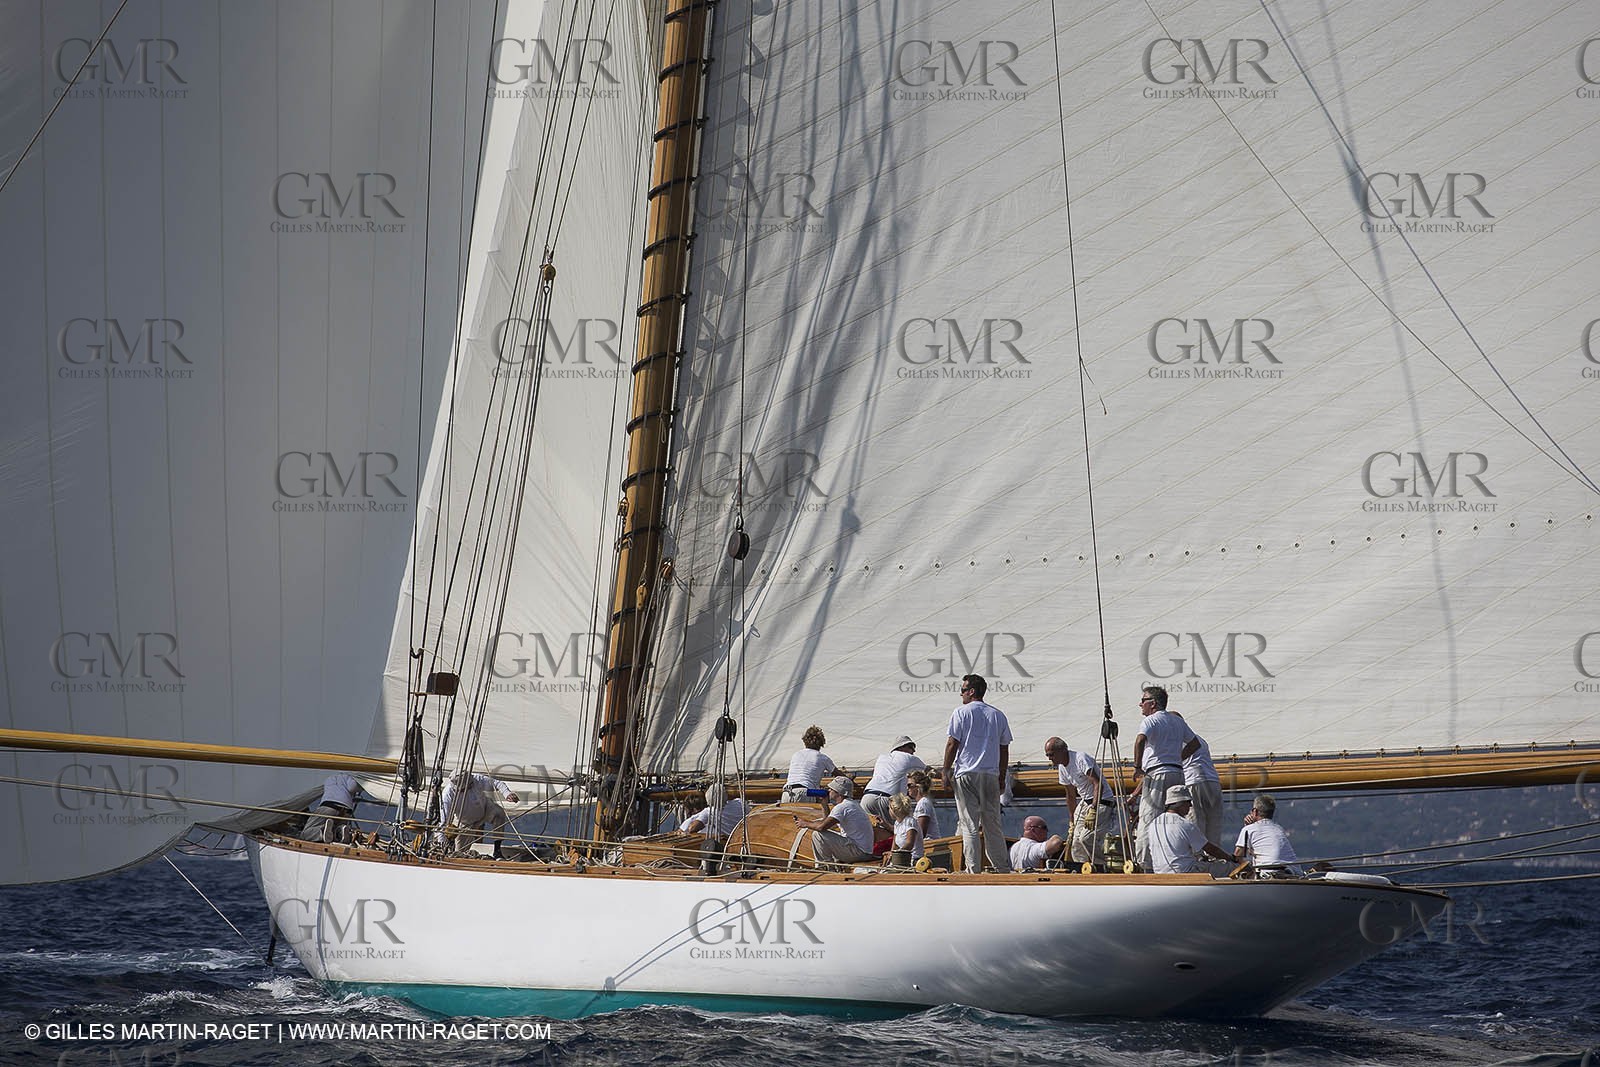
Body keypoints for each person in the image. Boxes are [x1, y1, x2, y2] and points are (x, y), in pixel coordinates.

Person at [943, 673, 1012, 873]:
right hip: (990, 775)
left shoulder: (961, 712)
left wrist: (946, 771)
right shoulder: (998, 715)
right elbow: (1004, 748)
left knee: (969, 824)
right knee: (992, 823)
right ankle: (1001, 868)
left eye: (963, 690)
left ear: (971, 691)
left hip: (966, 773)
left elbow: (952, 743)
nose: (961, 694)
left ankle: (973, 869)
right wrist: (1001, 777)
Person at [1130, 685, 1199, 870]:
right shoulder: (1177, 721)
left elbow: (1139, 740)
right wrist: (1178, 758)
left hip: (1157, 774)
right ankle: (1177, 861)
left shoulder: (1150, 721)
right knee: (1176, 818)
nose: (1140, 704)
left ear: (1152, 704)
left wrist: (1137, 767)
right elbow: (1194, 743)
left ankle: (1144, 866)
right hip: (1177, 773)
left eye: (1143, 701)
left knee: (1148, 819)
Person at [1043, 736, 1112, 863]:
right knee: (1075, 841)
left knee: (1086, 838)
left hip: (1102, 800)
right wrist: (1072, 821)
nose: (1049, 758)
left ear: (1062, 750)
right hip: (1085, 801)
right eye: (1047, 755)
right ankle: (1081, 867)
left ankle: (1101, 865)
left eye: (1051, 754)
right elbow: (1070, 795)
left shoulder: (1080, 758)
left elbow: (1098, 784)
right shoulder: (1062, 767)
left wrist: (1093, 809)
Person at [1147, 785, 1232, 874]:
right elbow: (1211, 850)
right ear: (1179, 803)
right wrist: (1231, 858)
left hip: (1160, 873)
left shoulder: (1153, 824)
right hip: (1185, 872)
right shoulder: (1185, 824)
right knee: (1231, 867)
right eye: (1188, 802)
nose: (1190, 805)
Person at [436, 770, 520, 858]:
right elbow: (444, 821)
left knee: (499, 813)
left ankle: (497, 851)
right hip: (466, 822)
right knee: (459, 853)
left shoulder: (475, 779)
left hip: (485, 809)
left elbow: (496, 783)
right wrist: (441, 845)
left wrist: (507, 793)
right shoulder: (447, 795)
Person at [1171, 711, 1223, 848]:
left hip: (1194, 781)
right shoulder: (1200, 739)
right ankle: (1215, 858)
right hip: (1213, 782)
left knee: (1196, 822)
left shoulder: (1178, 739)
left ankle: (1198, 857)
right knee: (1213, 824)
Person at [795, 776, 876, 865]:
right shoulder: (852, 804)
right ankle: (829, 864)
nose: (829, 791)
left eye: (831, 789)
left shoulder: (842, 807)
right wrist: (824, 805)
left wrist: (805, 823)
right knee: (822, 833)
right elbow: (827, 824)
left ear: (838, 792)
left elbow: (821, 827)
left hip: (859, 852)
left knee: (818, 835)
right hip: (864, 851)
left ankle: (824, 866)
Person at [861, 735, 927, 826]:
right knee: (901, 832)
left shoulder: (881, 757)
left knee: (869, 832)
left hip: (868, 797)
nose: (914, 751)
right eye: (911, 747)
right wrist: (945, 775)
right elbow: (929, 771)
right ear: (901, 747)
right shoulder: (909, 758)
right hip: (889, 800)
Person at [1234, 794, 1303, 878]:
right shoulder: (1278, 828)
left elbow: (1238, 855)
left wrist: (1247, 827)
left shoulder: (1248, 830)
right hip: (1293, 873)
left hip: (1268, 874)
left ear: (1254, 811)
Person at [301, 772, 376, 845]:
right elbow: (352, 787)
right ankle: (340, 832)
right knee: (337, 829)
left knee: (305, 834)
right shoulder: (349, 777)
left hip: (330, 806)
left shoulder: (329, 779)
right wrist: (362, 786)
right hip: (347, 810)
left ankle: (322, 832)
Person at [782, 725, 837, 802]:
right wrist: (848, 777)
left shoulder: (796, 754)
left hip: (787, 793)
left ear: (805, 741)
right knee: (825, 794)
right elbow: (839, 775)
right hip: (805, 793)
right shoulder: (822, 757)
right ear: (821, 743)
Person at [680, 783, 747, 843]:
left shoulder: (709, 812)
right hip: (745, 840)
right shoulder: (740, 802)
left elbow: (692, 828)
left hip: (729, 843)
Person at [886, 793, 923, 864]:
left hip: (913, 860)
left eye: (888, 808)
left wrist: (895, 854)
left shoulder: (910, 821)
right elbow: (895, 845)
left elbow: (909, 844)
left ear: (894, 809)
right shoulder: (897, 823)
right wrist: (891, 854)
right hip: (901, 858)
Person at [906, 769, 940, 841]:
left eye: (909, 785)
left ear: (918, 787)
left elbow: (921, 833)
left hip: (929, 845)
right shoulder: (922, 802)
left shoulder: (923, 803)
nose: (907, 788)